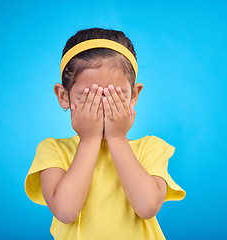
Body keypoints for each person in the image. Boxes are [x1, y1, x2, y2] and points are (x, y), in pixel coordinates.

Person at [25, 28, 185, 240]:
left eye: (113, 96)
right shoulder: (53, 150)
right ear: (64, 97)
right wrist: (89, 140)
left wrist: (117, 138)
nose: (100, 106)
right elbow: (65, 211)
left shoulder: (151, 148)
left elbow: (147, 207)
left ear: (134, 95)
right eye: (89, 96)